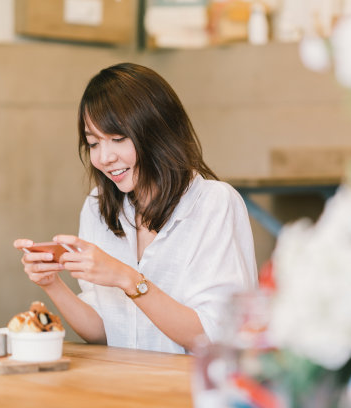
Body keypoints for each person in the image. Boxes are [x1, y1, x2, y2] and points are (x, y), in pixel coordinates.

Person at [14, 63, 257, 354]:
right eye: (93, 143)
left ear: (157, 133)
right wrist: (52, 283)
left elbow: (213, 338)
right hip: (126, 388)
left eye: (118, 139)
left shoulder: (214, 204)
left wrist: (127, 279)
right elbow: (105, 331)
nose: (104, 157)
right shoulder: (97, 207)